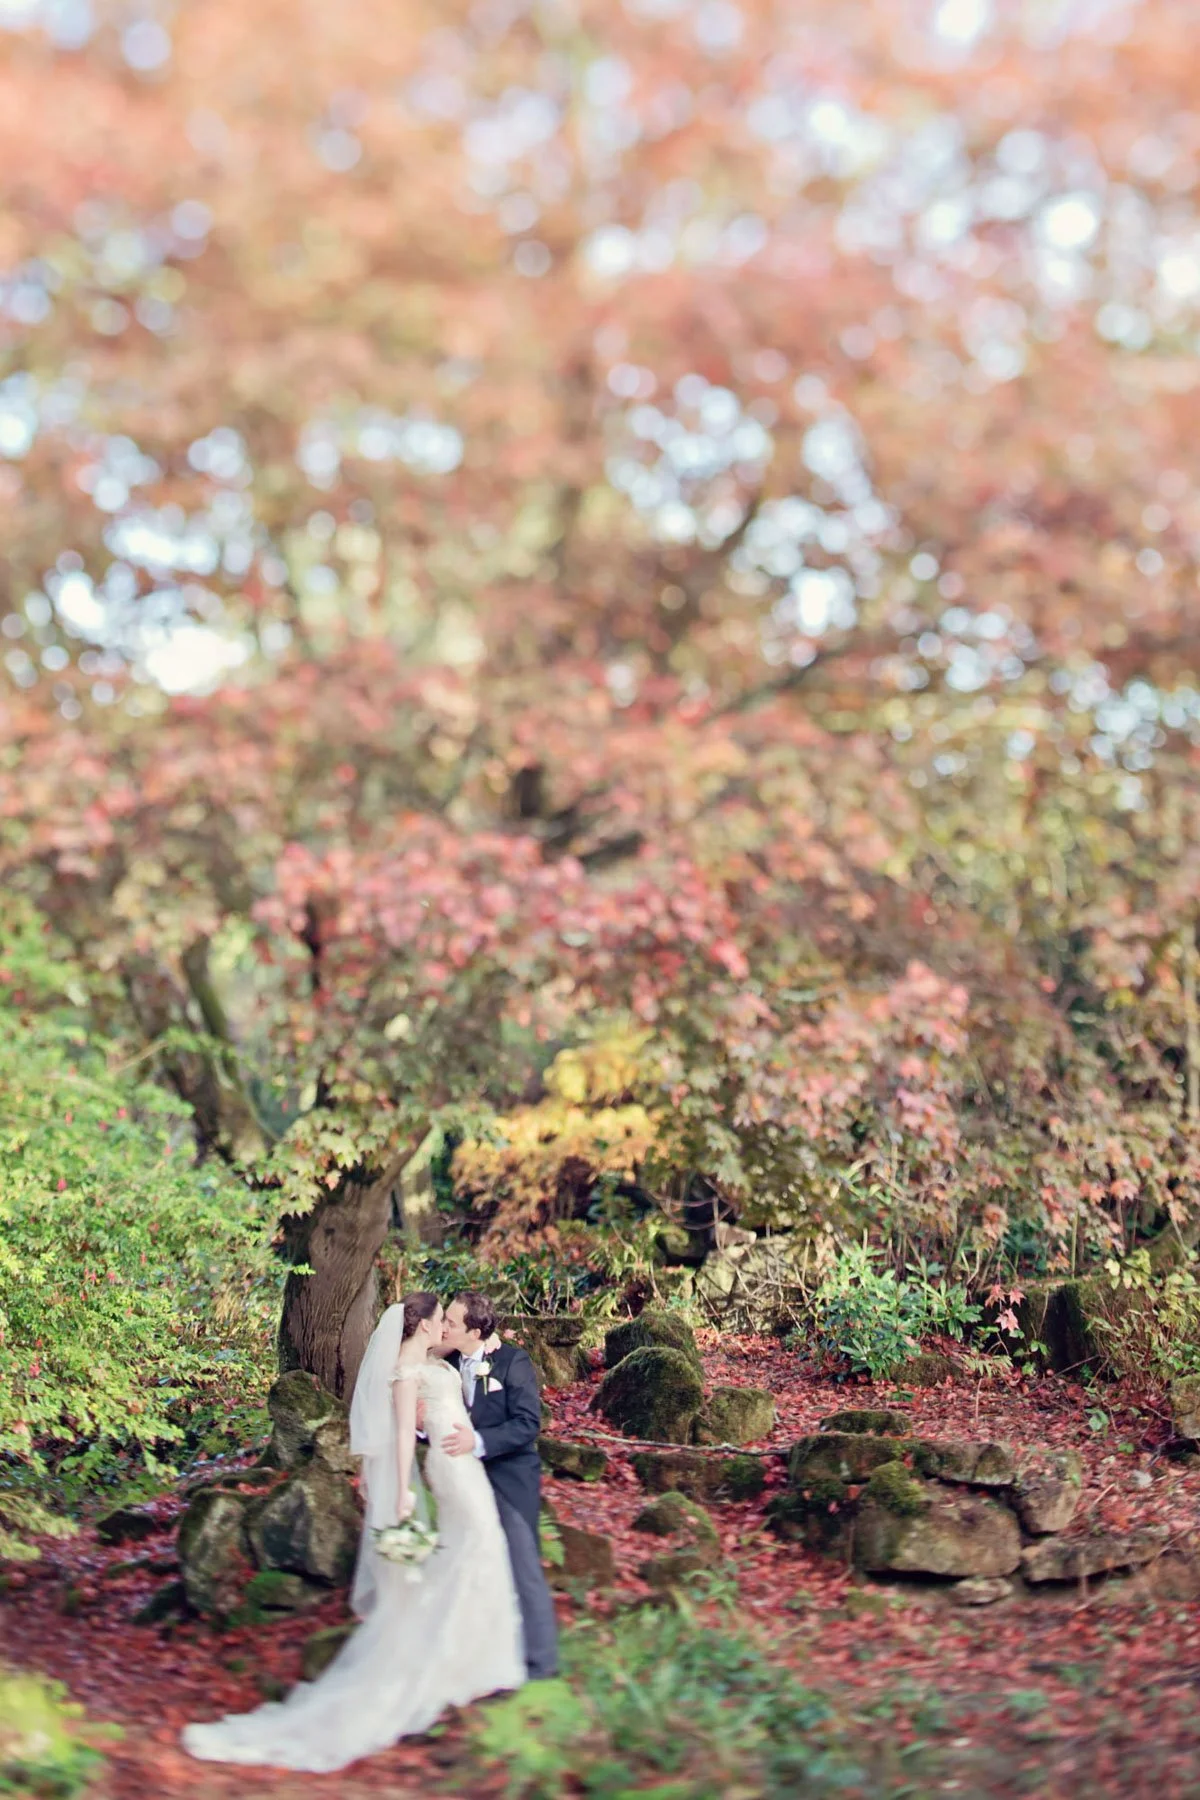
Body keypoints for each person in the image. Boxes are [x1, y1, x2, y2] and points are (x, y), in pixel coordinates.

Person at [181, 1292, 525, 1773]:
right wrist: (404, 1489)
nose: (443, 1325)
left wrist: (481, 1351)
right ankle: (472, 1659)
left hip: (462, 1458)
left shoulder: (425, 1359)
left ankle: (475, 1651)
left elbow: (453, 1373)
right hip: (452, 1469)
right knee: (480, 1542)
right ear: (422, 1325)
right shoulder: (408, 1371)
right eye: (438, 1318)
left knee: (478, 1546)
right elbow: (404, 1433)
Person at [439, 1290, 559, 1682]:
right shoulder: (448, 1365)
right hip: (464, 1481)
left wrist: (480, 1443)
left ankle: (541, 1662)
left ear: (474, 1331)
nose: (444, 1327)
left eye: (452, 1323)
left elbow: (528, 1424)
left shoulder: (512, 1362)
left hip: (510, 1477)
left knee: (523, 1565)